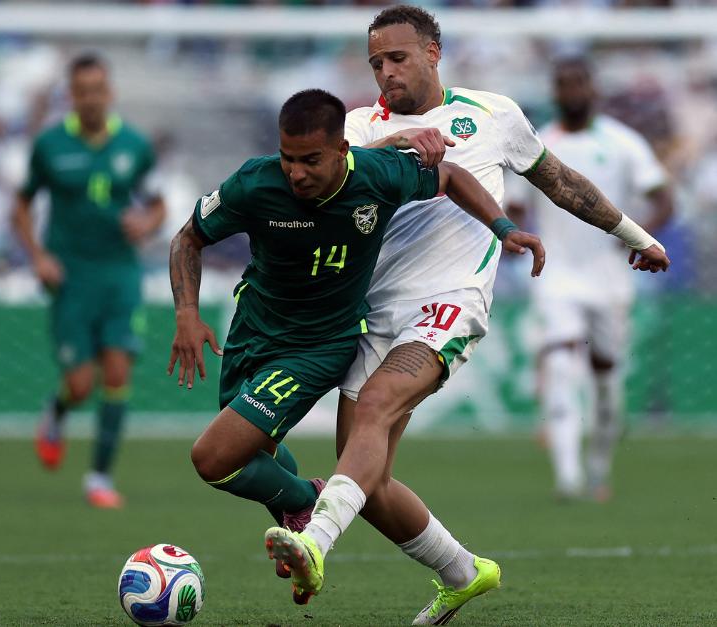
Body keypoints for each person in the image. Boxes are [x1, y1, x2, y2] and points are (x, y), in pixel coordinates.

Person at [263, 7, 671, 625]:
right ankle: (462, 573)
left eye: (397, 58)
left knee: (375, 410)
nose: (386, 72)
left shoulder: (492, 114)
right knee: (366, 481)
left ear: (433, 52)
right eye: (376, 62)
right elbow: (315, 202)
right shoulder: (352, 128)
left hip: (449, 305)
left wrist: (635, 235)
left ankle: (314, 545)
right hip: (372, 312)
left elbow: (561, 183)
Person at [168, 88, 543, 601]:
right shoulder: (255, 183)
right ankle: (300, 511)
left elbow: (451, 175)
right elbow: (188, 238)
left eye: (310, 160)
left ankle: (314, 501)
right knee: (256, 455)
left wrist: (504, 229)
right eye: (288, 158)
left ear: (343, 149)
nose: (295, 172)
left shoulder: (376, 174)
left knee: (213, 459)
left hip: (320, 347)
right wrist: (186, 314)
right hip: (253, 334)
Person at [507, 57, 673, 502]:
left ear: (592, 89)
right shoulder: (540, 144)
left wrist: (639, 237)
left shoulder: (623, 143)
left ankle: (598, 468)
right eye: (562, 84)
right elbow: (517, 203)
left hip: (610, 280)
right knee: (561, 365)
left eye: (577, 83)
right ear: (554, 91)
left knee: (606, 383)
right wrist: (515, 230)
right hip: (556, 275)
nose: (570, 91)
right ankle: (568, 477)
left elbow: (663, 197)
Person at [13, 53, 165, 508]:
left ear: (110, 92)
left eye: (98, 90)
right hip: (71, 275)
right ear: (71, 96)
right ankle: (57, 411)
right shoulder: (51, 146)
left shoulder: (135, 146)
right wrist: (38, 257)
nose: (91, 99)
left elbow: (157, 204)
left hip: (119, 273)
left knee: (117, 370)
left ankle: (99, 477)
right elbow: (20, 206)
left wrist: (147, 222)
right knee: (80, 384)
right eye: (82, 92)